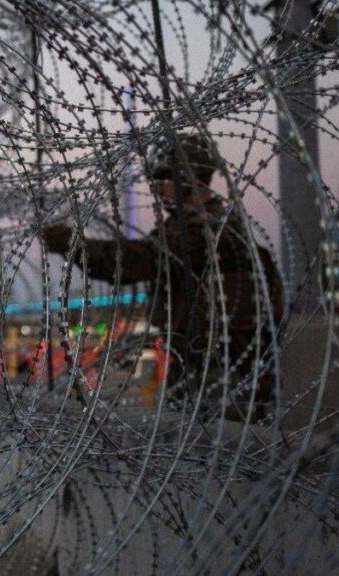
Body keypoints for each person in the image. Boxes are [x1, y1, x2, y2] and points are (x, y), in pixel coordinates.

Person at [40, 133, 282, 420]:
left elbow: (141, 260)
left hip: (223, 369)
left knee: (216, 447)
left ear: (189, 179)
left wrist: (76, 246)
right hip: (200, 363)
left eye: (164, 181)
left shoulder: (206, 230)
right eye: (154, 183)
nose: (158, 191)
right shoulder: (192, 226)